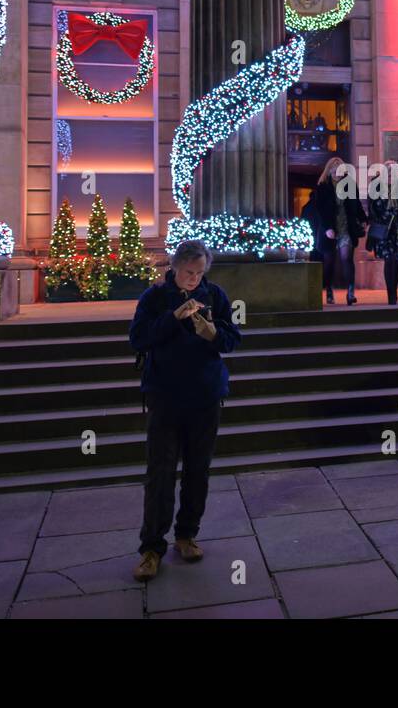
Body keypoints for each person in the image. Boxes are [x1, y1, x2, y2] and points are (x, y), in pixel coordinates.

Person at [129, 240, 242, 582]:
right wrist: (172, 318)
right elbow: (138, 338)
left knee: (198, 469)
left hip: (205, 394)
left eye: (199, 273)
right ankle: (151, 547)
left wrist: (213, 333)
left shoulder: (216, 295)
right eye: (188, 272)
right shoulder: (155, 297)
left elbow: (232, 338)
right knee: (160, 472)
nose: (193, 279)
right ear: (174, 267)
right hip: (165, 394)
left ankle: (186, 534)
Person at [311, 156, 367, 305]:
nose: (337, 173)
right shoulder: (322, 187)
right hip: (329, 228)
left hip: (346, 227)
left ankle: (350, 292)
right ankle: (329, 290)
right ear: (329, 171)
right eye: (334, 170)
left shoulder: (350, 185)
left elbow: (357, 205)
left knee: (346, 259)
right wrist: (327, 228)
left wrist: (363, 219)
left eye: (339, 170)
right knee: (329, 261)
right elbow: (319, 210)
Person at [366, 160, 398, 305]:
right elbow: (371, 209)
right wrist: (373, 221)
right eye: (387, 172)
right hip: (383, 230)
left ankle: (394, 290)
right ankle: (391, 296)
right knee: (389, 260)